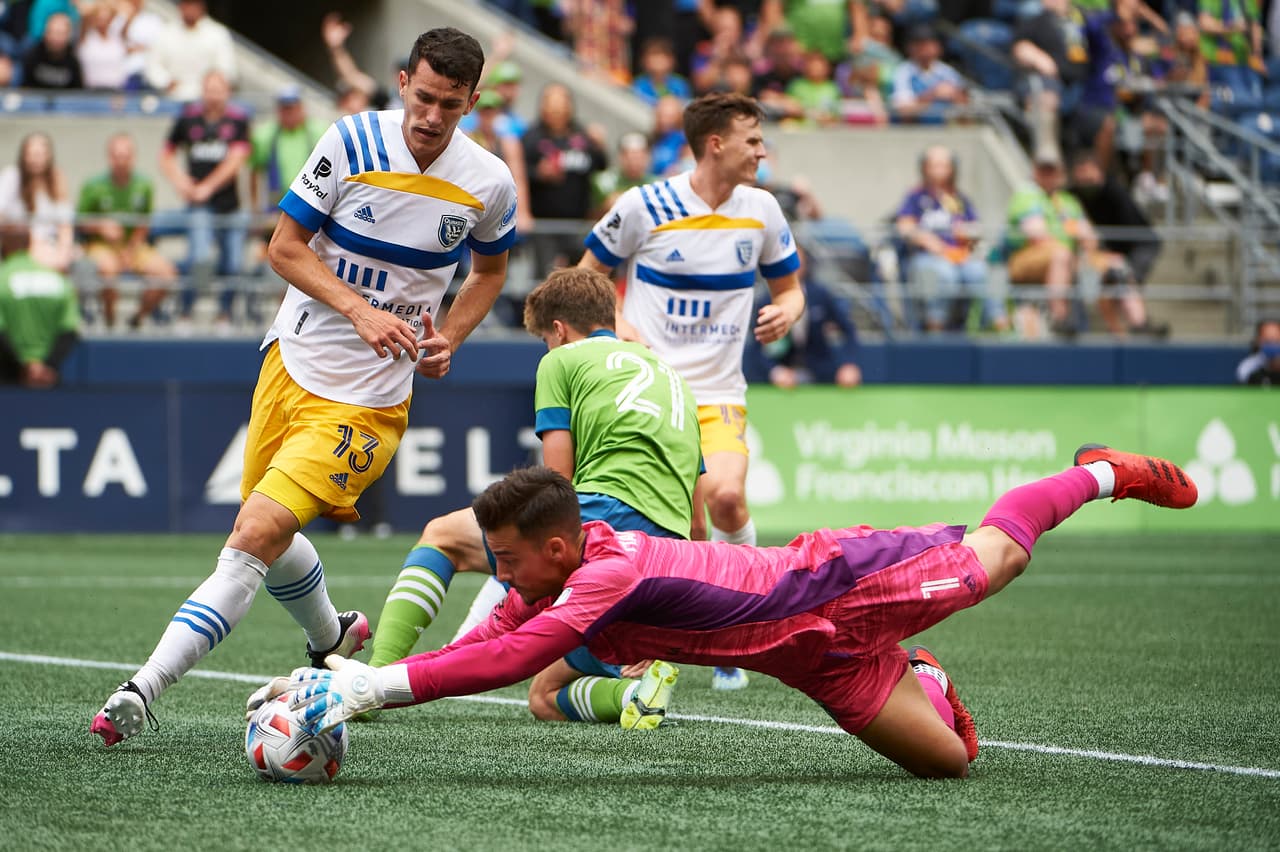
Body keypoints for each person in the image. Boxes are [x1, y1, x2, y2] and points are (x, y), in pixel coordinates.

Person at [263, 446, 1198, 779]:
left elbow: (512, 664)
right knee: (950, 765)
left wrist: (374, 692)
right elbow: (490, 640)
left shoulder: (607, 571)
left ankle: (1103, 473)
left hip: (840, 587)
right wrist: (347, 675)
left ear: (555, 547)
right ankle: (924, 680)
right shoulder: (546, 578)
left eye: (504, 558)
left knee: (1000, 557)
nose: (494, 572)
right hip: (812, 660)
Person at [90, 26, 518, 747]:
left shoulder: (488, 182)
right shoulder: (349, 142)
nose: (431, 116)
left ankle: (141, 688)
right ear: (402, 79)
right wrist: (359, 309)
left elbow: (493, 272)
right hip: (290, 361)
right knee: (268, 534)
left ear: (471, 101)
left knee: (254, 536)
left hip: (370, 400)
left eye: (449, 104)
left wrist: (452, 333)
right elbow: (283, 247)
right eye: (422, 96)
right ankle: (332, 637)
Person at [368, 267, 701, 726]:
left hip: (599, 527)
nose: (547, 348)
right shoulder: (674, 377)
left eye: (545, 339)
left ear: (559, 330)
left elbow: (555, 484)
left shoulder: (562, 361)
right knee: (545, 693)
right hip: (663, 559)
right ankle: (631, 695)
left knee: (443, 534)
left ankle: (375, 676)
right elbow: (696, 514)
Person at [579, 92, 805, 691]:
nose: (761, 151)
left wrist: (787, 309)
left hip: (720, 391)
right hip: (652, 394)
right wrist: (620, 326)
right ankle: (692, 636)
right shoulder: (643, 205)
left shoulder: (762, 211)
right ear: (716, 144)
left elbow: (791, 288)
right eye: (752, 141)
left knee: (726, 498)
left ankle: (747, 620)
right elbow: (585, 278)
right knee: (689, 526)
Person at [158, 69, 250, 327]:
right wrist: (181, 182)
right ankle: (185, 312)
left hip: (230, 206)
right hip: (199, 206)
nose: (214, 95)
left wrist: (208, 186)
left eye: (219, 89)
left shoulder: (238, 120)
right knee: (198, 258)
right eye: (209, 89)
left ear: (227, 92)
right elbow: (165, 154)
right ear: (202, 90)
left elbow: (236, 159)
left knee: (232, 263)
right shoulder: (188, 119)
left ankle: (225, 314)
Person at [895, 146, 1008, 333]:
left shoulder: (959, 198)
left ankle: (1000, 326)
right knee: (945, 274)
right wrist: (928, 240)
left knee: (983, 273)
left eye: (945, 165)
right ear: (925, 168)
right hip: (927, 258)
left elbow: (976, 228)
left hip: (960, 256)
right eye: (935, 165)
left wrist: (969, 233)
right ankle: (935, 331)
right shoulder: (915, 196)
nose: (940, 169)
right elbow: (904, 227)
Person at [76, 132, 176, 330]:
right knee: (108, 271)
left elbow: (143, 222)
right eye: (116, 155)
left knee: (167, 275)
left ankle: (137, 318)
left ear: (133, 157)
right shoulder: (92, 186)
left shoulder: (144, 185)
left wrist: (130, 250)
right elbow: (80, 222)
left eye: (126, 155)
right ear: (109, 157)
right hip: (101, 245)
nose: (121, 161)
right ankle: (110, 320)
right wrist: (101, 226)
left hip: (134, 245)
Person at [1068, 150, 1168, 338]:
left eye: (1089, 173)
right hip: (1100, 256)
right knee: (1109, 280)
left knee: (1123, 278)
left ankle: (1139, 326)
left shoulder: (1114, 191)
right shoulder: (1071, 195)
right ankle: (1124, 329)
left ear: (1099, 172)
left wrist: (1110, 255)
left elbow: (1128, 233)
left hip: (1139, 246)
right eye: (1081, 174)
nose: (1085, 179)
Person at [517, 83, 608, 277]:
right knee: (545, 279)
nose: (557, 109)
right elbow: (518, 174)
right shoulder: (531, 138)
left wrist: (600, 146)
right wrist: (539, 174)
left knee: (581, 277)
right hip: (544, 226)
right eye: (552, 103)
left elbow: (601, 167)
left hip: (578, 224)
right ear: (543, 107)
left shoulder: (583, 136)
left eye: (561, 103)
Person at [1004, 150, 1092, 339]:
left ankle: (1133, 330)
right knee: (1061, 255)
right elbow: (1038, 236)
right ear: (1035, 171)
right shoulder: (1026, 195)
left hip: (1067, 259)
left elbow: (1089, 236)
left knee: (1116, 268)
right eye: (1043, 170)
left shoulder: (1069, 201)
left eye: (1052, 170)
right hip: (1024, 260)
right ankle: (1059, 317)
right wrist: (1071, 251)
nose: (1048, 175)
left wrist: (1085, 251)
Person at [747, 252, 862, 388]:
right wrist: (775, 371)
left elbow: (849, 330)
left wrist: (848, 364)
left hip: (821, 376)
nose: (793, 266)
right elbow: (756, 345)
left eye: (796, 260)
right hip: (781, 379)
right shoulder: (766, 301)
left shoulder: (821, 295)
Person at [0, 220, 79, 388]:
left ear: (4, 246)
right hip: (47, 376)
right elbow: (70, 331)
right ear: (29, 244)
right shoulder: (58, 280)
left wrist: (26, 367)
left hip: (9, 376)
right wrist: (44, 367)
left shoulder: (2, 278)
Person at [0, 132, 74, 273]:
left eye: (40, 154)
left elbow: (65, 225)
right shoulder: (11, 176)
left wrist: (64, 253)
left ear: (49, 156)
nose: (36, 159)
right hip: (17, 246)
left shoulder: (57, 179)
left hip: (52, 247)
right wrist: (32, 243)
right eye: (32, 154)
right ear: (24, 155)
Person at [249, 86, 327, 215]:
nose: (289, 113)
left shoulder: (319, 132)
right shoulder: (265, 135)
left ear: (301, 108)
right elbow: (254, 170)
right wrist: (255, 209)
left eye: (292, 108)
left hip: (312, 207)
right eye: (284, 108)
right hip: (276, 210)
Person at [146, 0, 234, 101]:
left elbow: (226, 68)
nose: (191, 9)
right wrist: (166, 82)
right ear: (181, 6)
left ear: (202, 7)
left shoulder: (218, 34)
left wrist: (210, 86)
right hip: (171, 98)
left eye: (194, 4)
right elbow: (153, 66)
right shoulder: (164, 33)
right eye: (187, 4)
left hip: (207, 101)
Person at [891, 24, 968, 124]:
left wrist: (955, 96)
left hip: (946, 131)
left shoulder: (948, 72)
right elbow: (904, 112)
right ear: (910, 47)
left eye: (928, 43)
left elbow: (966, 111)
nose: (924, 48)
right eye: (919, 44)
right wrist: (933, 94)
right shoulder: (903, 72)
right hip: (914, 132)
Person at [590, 131, 656, 218]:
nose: (634, 161)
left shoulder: (657, 183)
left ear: (647, 157)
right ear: (621, 156)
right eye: (630, 155)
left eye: (639, 156)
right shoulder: (602, 180)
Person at [19, 10, 80, 89]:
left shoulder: (73, 61)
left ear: (68, 36)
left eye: (61, 33)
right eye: (53, 32)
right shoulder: (32, 56)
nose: (56, 38)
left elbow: (78, 94)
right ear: (46, 33)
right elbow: (25, 89)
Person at [77, 1, 127, 90]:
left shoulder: (117, 37)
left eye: (106, 18)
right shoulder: (86, 37)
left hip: (116, 89)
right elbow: (84, 14)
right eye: (99, 18)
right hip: (92, 90)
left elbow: (127, 13)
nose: (103, 22)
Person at [632, 36, 693, 105]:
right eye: (654, 56)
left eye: (662, 57)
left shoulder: (680, 83)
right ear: (644, 61)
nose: (658, 61)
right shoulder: (638, 84)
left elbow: (685, 103)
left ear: (671, 61)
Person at [1236, 319, 1280, 385]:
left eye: (1276, 340)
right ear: (1258, 340)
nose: (1272, 344)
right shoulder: (1248, 367)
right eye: (1267, 341)